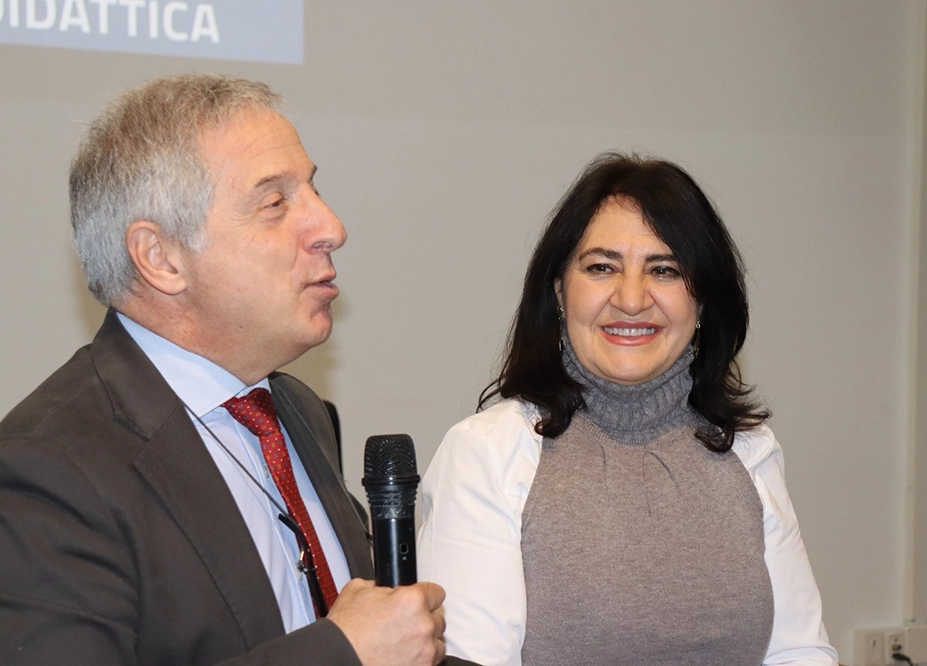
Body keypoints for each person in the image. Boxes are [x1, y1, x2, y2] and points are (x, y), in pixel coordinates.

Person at [0, 74, 464, 666]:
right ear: (161, 259)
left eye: (313, 189)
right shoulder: (47, 467)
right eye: (275, 204)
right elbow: (354, 645)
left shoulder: (289, 408)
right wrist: (339, 654)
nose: (331, 228)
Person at [417, 153, 839, 665]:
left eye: (664, 270)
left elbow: (800, 652)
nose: (633, 299)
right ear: (559, 290)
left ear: (702, 301)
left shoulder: (749, 450)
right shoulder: (485, 454)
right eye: (602, 267)